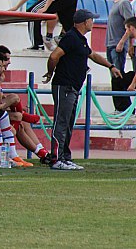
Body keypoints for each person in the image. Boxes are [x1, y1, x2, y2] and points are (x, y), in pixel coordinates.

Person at [43, 9, 121, 169]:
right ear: (85, 22)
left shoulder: (80, 40)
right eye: (91, 19)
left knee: (68, 122)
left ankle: (64, 157)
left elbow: (92, 55)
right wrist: (51, 73)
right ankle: (57, 159)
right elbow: (54, 56)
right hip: (64, 85)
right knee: (61, 122)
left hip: (72, 87)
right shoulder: (71, 38)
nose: (93, 22)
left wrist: (110, 66)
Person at [105, 0, 132, 75]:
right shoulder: (116, 3)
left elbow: (130, 25)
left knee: (118, 75)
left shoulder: (124, 3)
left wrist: (122, 42)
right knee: (114, 75)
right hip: (111, 44)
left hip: (117, 45)